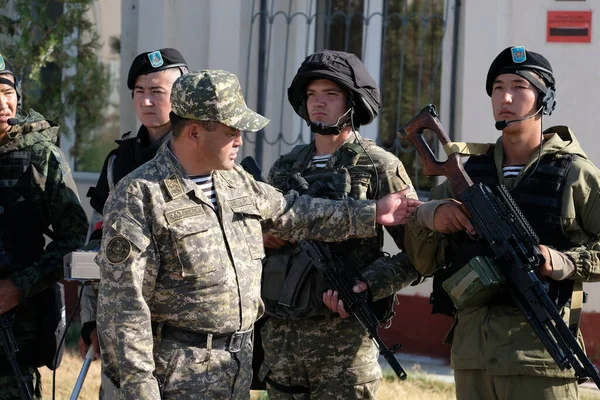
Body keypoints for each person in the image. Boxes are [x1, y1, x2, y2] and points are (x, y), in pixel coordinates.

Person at [95, 68, 419, 400]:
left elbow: (294, 212)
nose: (240, 139)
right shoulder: (139, 195)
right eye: (231, 130)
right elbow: (123, 309)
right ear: (194, 132)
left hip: (234, 373)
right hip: (176, 378)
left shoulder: (235, 181)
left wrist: (372, 212)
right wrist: (139, 390)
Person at [401, 46, 600, 399]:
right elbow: (422, 260)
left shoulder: (575, 174)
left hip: (541, 361)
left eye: (520, 87)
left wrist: (562, 261)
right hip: (473, 359)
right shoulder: (466, 173)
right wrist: (432, 215)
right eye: (497, 87)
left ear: (544, 99)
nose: (505, 97)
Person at [257, 50, 422, 399]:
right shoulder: (287, 168)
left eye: (330, 94)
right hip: (283, 340)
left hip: (343, 345)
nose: (319, 103)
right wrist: (264, 236)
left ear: (353, 102)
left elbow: (421, 254)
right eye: (312, 94)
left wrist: (368, 284)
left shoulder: (379, 166)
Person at [77, 48, 188, 397]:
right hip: (124, 328)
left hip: (184, 334)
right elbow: (97, 247)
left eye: (158, 91)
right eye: (140, 91)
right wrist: (91, 320)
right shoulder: (118, 161)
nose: (147, 100)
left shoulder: (199, 158)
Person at [0, 52, 87, 399]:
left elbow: (73, 236)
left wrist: (19, 286)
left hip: (13, 335)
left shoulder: (39, 156)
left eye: (7, 91)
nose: (3, 103)